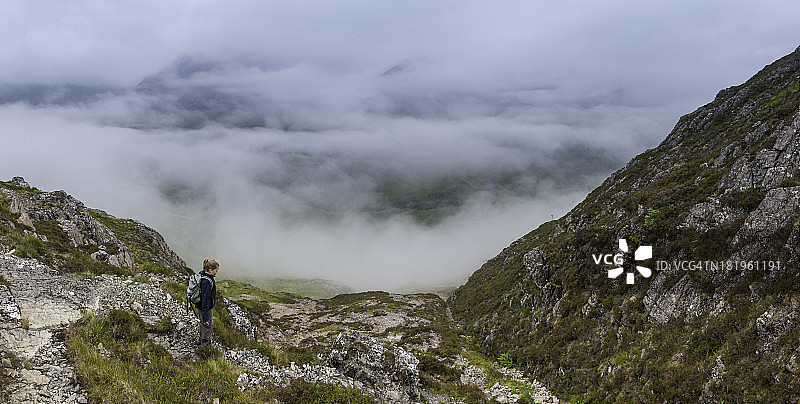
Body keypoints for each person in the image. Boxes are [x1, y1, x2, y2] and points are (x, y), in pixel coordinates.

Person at [196, 258, 218, 347]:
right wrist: (206, 317)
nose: (216, 272)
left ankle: (201, 341)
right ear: (210, 270)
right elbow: (205, 300)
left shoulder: (202, 274)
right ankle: (205, 347)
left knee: (203, 324)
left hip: (200, 306)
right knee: (207, 325)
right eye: (215, 271)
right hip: (205, 308)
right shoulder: (206, 282)